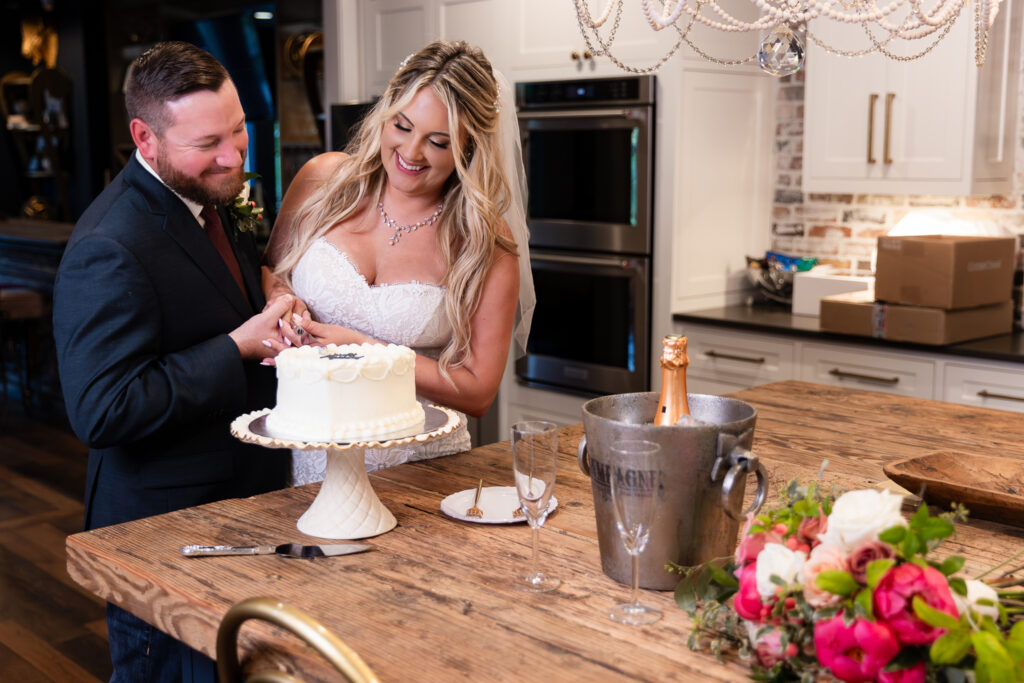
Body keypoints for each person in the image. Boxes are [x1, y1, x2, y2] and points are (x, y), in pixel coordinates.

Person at [52, 41, 291, 682]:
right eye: (208, 141)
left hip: (241, 505)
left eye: (239, 128)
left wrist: (270, 285)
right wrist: (236, 346)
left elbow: (222, 286)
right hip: (161, 530)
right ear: (145, 137)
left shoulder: (207, 195)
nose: (233, 155)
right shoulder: (109, 244)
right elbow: (103, 410)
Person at [262, 39, 534, 482]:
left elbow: (480, 390)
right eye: (402, 126)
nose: (411, 153)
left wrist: (361, 350)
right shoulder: (322, 181)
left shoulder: (482, 239)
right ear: (385, 112)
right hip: (313, 458)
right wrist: (280, 300)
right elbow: (273, 270)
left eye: (438, 142)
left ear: (468, 149)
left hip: (424, 470)